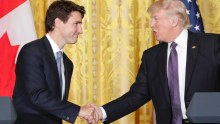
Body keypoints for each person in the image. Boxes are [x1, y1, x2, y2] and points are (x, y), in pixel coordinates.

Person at [89, 0, 220, 124]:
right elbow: (137, 95)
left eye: (155, 19)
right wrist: (101, 112)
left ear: (173, 21)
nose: (151, 24)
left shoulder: (212, 45)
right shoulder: (151, 56)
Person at [12, 1, 98, 124]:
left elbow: (55, 104)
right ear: (57, 22)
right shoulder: (32, 51)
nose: (80, 30)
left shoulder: (67, 63)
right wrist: (78, 110)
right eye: (76, 24)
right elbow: (37, 95)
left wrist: (80, 110)